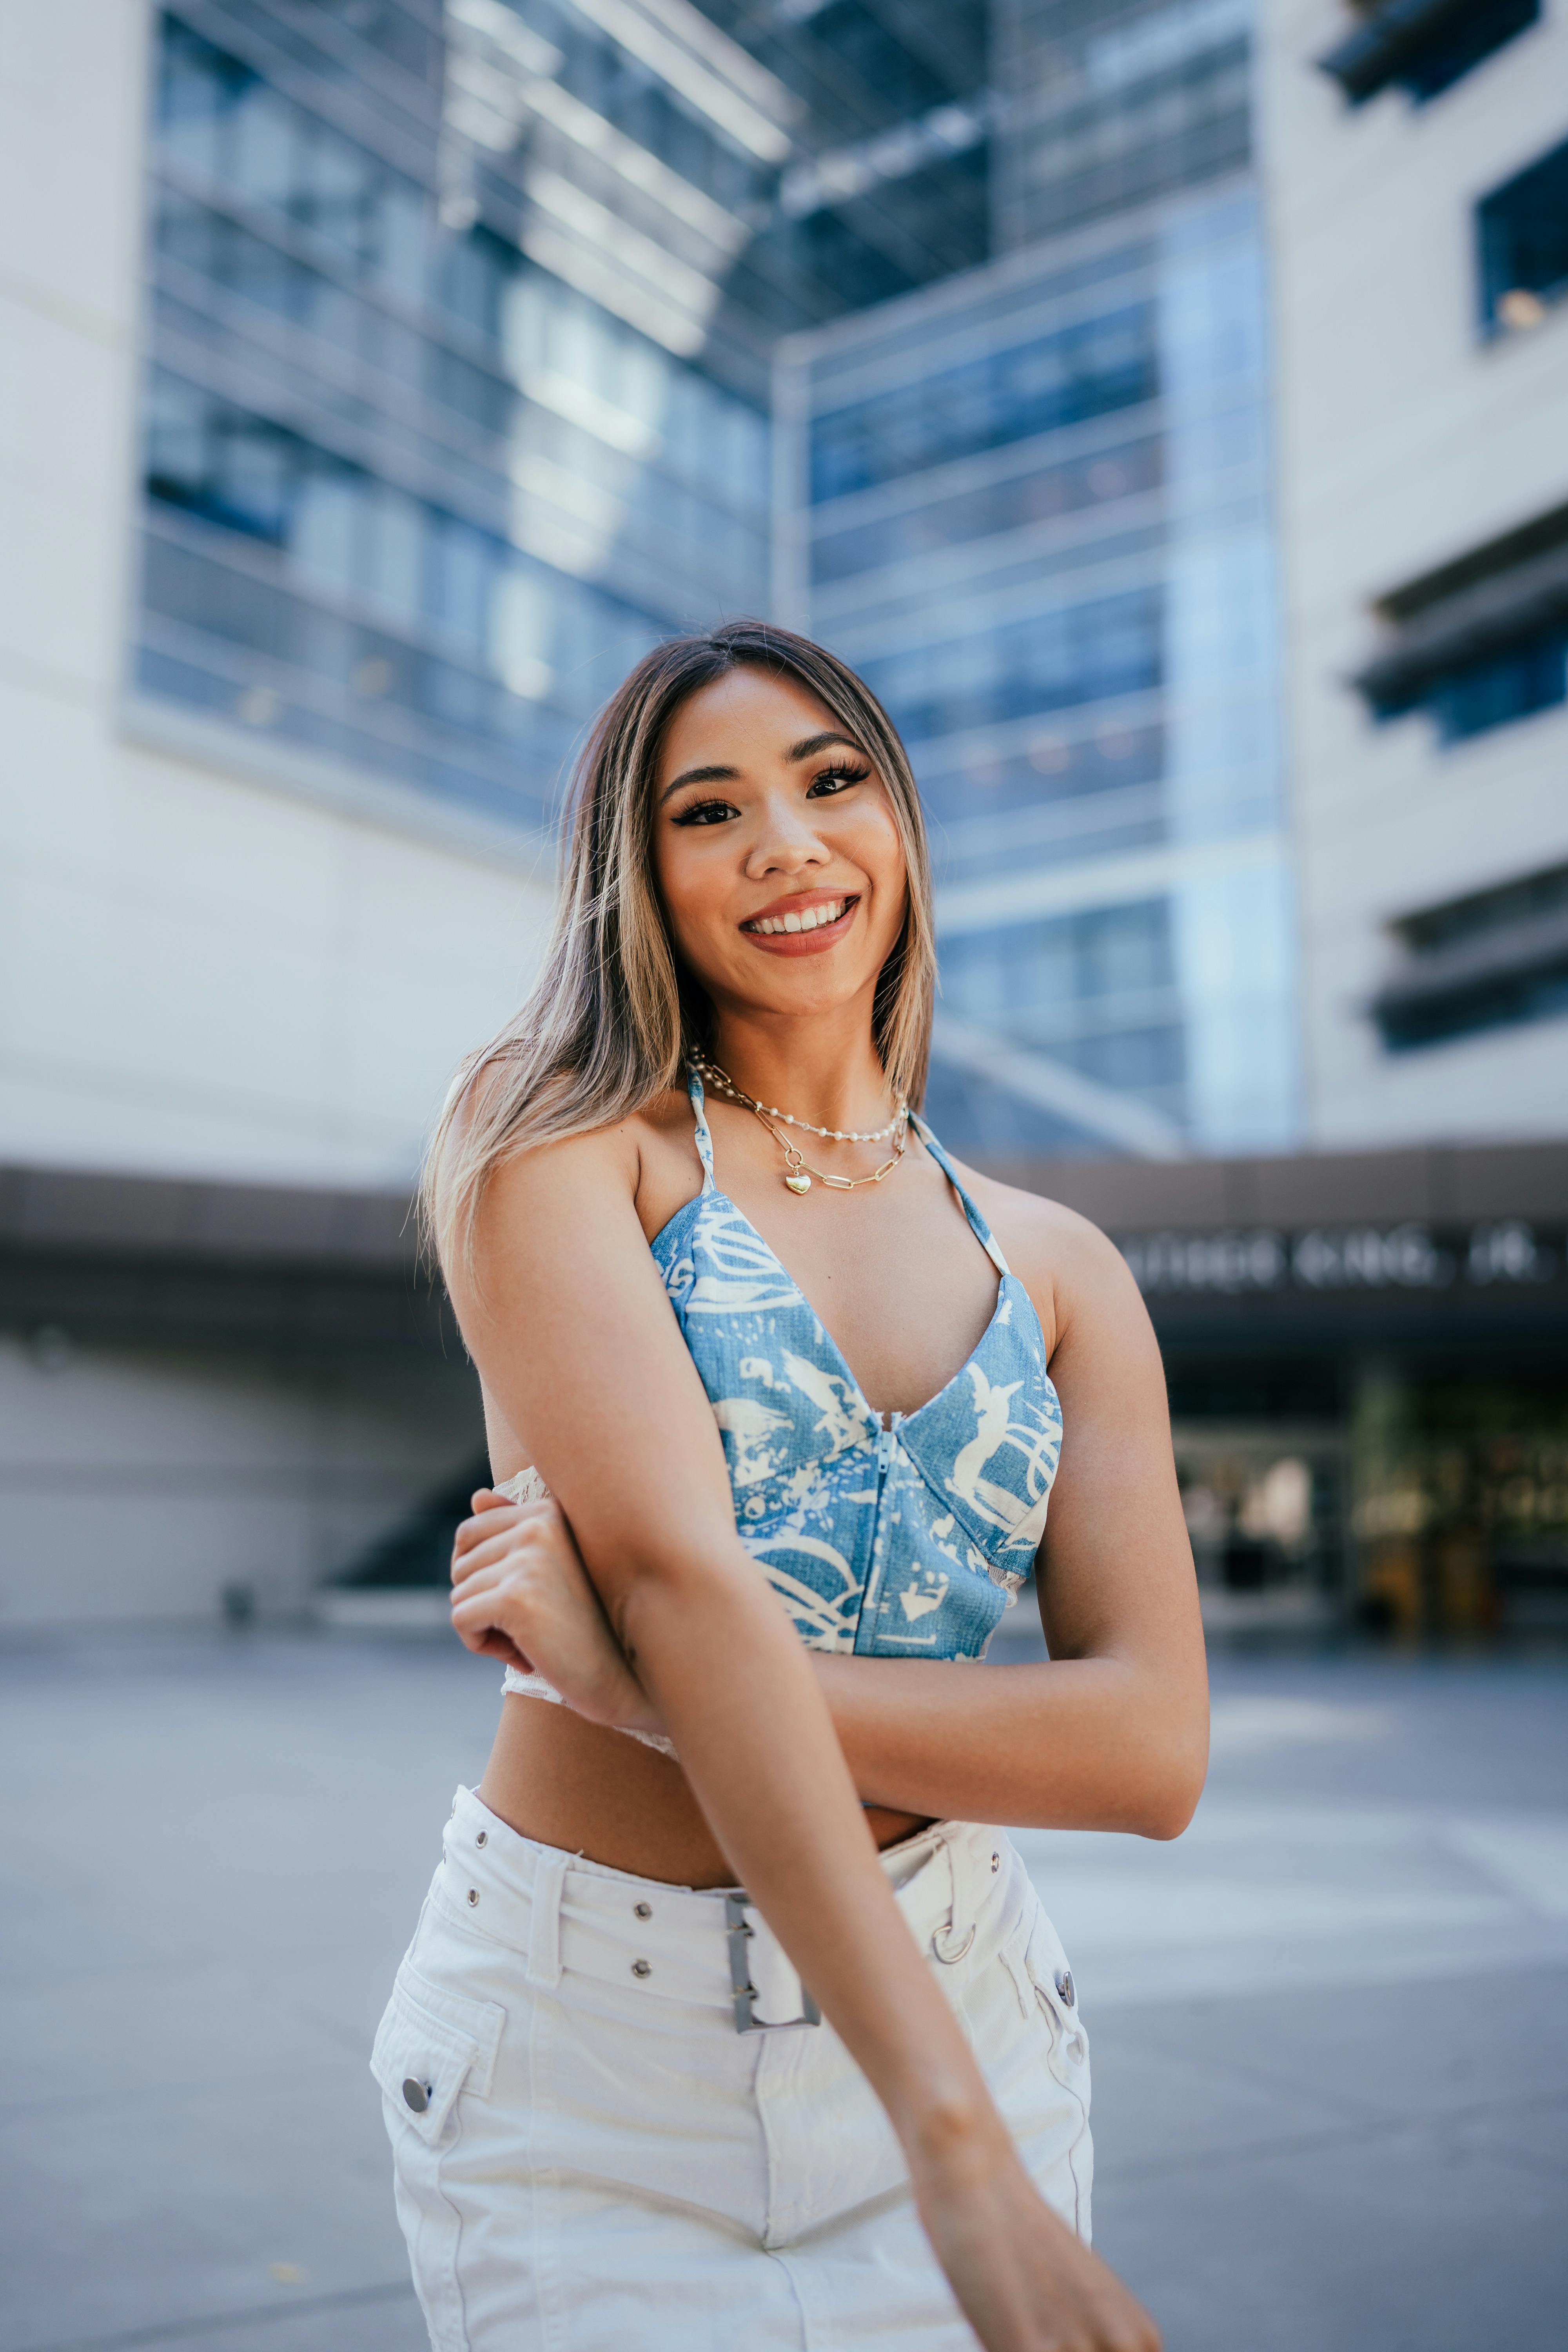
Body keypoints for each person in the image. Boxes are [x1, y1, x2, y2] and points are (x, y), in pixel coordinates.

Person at [377, 620, 1207, 2351]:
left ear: (896, 823)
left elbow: (1148, 1751)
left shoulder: (1058, 1269)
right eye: (708, 810)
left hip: (972, 1976)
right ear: (640, 875)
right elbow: (683, 1579)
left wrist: (639, 1696)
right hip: (588, 2066)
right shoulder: (557, 1139)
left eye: (830, 782)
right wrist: (951, 2146)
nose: (785, 844)